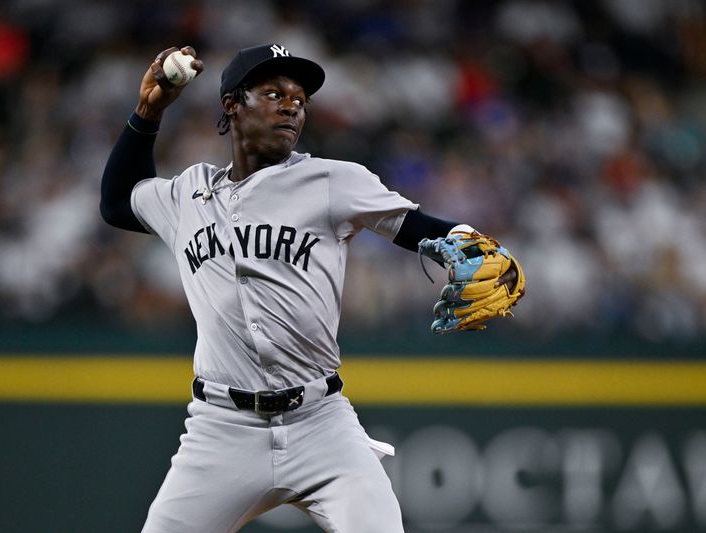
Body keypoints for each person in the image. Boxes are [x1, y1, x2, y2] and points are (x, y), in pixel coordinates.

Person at [100, 43, 516, 532]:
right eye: (274, 93)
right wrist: (148, 112)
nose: (292, 105)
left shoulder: (330, 180)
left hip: (321, 424)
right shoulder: (186, 195)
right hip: (220, 430)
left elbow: (418, 226)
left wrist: (472, 244)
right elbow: (117, 203)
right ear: (232, 104)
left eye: (300, 99)